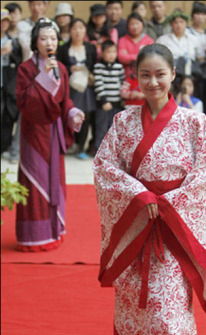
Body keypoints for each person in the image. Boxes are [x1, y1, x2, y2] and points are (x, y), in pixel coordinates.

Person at [93, 43, 206, 335]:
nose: (152, 82)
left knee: (168, 316)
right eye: (145, 75)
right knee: (134, 315)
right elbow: (104, 167)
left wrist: (170, 203)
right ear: (136, 77)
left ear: (172, 75)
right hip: (136, 225)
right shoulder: (123, 122)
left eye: (159, 74)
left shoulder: (193, 122)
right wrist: (139, 196)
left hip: (172, 229)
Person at [15, 17, 85, 251]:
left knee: (54, 179)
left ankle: (54, 230)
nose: (49, 42)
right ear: (35, 42)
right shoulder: (26, 69)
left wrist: (73, 113)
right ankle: (34, 236)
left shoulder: (61, 68)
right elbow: (25, 103)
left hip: (54, 133)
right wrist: (42, 77)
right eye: (43, 38)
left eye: (53, 38)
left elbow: (64, 101)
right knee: (35, 182)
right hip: (33, 133)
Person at [57, 18, 97, 160]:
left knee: (85, 117)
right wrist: (70, 68)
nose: (78, 31)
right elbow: (59, 67)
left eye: (81, 28)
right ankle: (67, 144)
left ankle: (81, 147)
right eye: (74, 28)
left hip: (86, 88)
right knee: (68, 115)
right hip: (70, 88)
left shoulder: (91, 48)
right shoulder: (63, 48)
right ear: (70, 30)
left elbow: (94, 66)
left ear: (85, 30)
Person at [93, 40, 125, 153]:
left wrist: (123, 99)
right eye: (108, 52)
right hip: (104, 104)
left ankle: (112, 152)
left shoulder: (119, 67)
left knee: (114, 128)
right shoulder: (98, 67)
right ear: (102, 53)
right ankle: (99, 150)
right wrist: (104, 101)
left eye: (113, 52)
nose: (111, 55)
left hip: (117, 103)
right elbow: (98, 85)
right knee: (101, 127)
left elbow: (122, 83)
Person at [1, 9, 22, 158]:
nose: (4, 24)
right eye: (1, 21)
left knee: (7, 116)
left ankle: (4, 146)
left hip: (7, 83)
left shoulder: (12, 41)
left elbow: (19, 61)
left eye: (6, 21)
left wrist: (11, 53)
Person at [118, 12, 154, 78]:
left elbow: (149, 58)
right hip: (126, 77)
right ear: (127, 26)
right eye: (132, 24)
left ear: (142, 24)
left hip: (145, 76)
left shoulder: (149, 41)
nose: (135, 27)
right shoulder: (122, 40)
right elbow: (121, 57)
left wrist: (129, 56)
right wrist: (140, 56)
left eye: (137, 23)